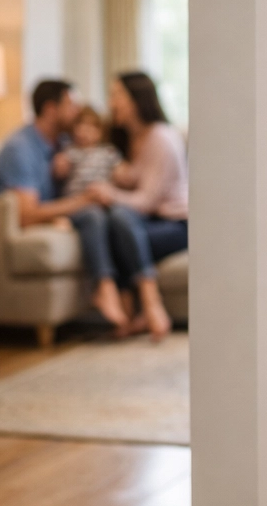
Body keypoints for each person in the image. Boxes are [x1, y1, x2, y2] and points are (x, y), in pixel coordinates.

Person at [72, 72, 187, 342]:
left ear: (136, 100)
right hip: (147, 222)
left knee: (119, 220)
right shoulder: (125, 138)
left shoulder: (161, 137)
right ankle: (131, 310)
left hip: (177, 224)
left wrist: (108, 192)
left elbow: (146, 202)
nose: (111, 103)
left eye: (116, 95)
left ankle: (148, 302)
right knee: (112, 222)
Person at [0, 79, 92, 228]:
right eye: (71, 106)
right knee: (93, 218)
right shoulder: (19, 149)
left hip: (57, 210)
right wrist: (84, 200)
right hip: (22, 221)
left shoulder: (65, 142)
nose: (78, 111)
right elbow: (26, 215)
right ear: (50, 109)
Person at [57, 106, 123, 197]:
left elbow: (121, 171)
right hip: (77, 200)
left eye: (89, 127)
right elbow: (59, 171)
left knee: (121, 210)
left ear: (99, 132)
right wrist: (60, 163)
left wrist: (122, 175)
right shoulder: (71, 150)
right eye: (80, 126)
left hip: (101, 198)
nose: (84, 131)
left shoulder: (108, 151)